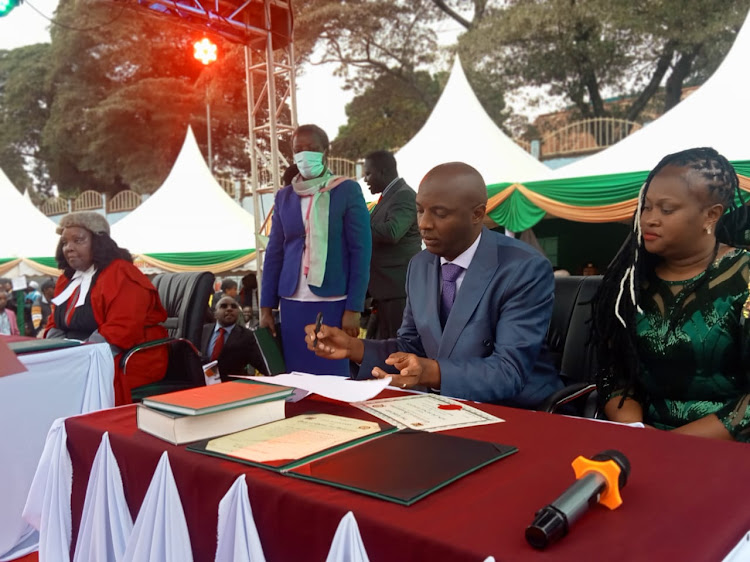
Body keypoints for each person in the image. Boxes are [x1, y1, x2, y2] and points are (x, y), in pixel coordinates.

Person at [306, 162, 562, 407]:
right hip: (445, 407)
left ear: (477, 214)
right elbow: (409, 347)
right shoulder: (419, 266)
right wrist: (355, 348)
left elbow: (509, 371)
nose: (424, 224)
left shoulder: (524, 268)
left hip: (521, 412)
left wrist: (432, 372)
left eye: (439, 213)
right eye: (420, 210)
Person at [592, 147, 750, 441]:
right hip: (642, 440)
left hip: (729, 451)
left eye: (666, 209)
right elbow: (616, 373)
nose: (649, 219)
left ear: (711, 215)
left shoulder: (744, 277)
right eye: (646, 206)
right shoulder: (632, 280)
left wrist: (672, 444)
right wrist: (635, 431)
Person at [260, 124, 372, 376]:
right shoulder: (284, 197)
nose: (305, 155)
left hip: (332, 301)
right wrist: (266, 308)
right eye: (299, 149)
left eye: (312, 149)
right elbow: (274, 252)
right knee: (296, 376)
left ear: (325, 152)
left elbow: (361, 252)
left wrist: (354, 309)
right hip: (291, 301)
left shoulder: (347, 190)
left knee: (331, 372)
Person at [45, 211, 169, 405]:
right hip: (81, 354)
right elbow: (54, 322)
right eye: (65, 242)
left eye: (78, 240)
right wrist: (56, 351)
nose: (68, 248)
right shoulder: (66, 280)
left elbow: (122, 330)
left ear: (98, 242)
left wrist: (77, 357)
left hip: (129, 357)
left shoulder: (122, 273)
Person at [363, 150, 421, 339]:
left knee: (397, 348)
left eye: (368, 173)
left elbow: (393, 231)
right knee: (381, 347)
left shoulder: (404, 196)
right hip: (384, 290)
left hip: (397, 290)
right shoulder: (389, 197)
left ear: (383, 171)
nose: (365, 179)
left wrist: (355, 228)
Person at [201, 296, 268, 379]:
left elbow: (261, 364)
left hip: (231, 387)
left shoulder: (247, 336)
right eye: (224, 306)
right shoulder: (203, 331)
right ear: (215, 313)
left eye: (234, 306)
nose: (229, 309)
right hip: (202, 386)